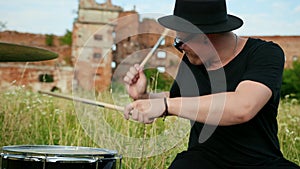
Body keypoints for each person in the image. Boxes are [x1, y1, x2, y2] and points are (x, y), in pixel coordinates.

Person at [123, 0, 300, 168]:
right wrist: (144, 96)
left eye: (181, 41)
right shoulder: (193, 60)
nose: (180, 47)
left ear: (208, 35)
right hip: (202, 159)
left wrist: (166, 105)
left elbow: (243, 106)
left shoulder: (264, 54)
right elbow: (178, 99)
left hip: (259, 162)